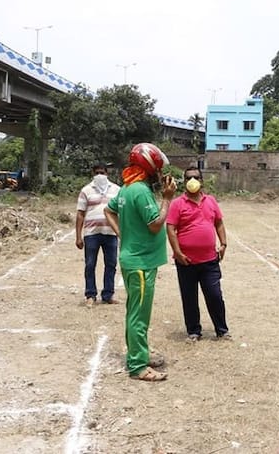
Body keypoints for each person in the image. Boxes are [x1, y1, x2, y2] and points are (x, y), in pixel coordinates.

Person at [104, 143, 176, 382]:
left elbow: (109, 211)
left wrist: (121, 234)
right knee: (139, 314)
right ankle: (137, 365)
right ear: (150, 167)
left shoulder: (127, 188)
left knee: (135, 311)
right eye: (157, 168)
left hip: (135, 259)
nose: (159, 173)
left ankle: (140, 353)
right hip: (140, 263)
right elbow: (155, 224)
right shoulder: (141, 191)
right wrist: (167, 199)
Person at [166, 166, 231, 342]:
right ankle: (194, 331)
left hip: (210, 260)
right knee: (189, 298)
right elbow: (170, 229)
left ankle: (222, 330)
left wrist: (223, 243)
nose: (192, 181)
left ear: (201, 180)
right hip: (186, 261)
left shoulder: (211, 201)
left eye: (195, 177)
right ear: (184, 182)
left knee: (215, 295)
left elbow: (219, 223)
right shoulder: (177, 204)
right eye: (188, 178)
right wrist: (177, 252)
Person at [76, 162, 121, 307]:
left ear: (107, 174)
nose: (99, 175)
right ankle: (90, 294)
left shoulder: (117, 190)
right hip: (91, 233)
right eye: (97, 173)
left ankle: (108, 295)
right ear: (92, 174)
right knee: (90, 265)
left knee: (111, 264)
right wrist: (78, 236)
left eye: (102, 172)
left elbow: (123, 211)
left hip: (111, 232)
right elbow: (80, 214)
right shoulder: (86, 190)